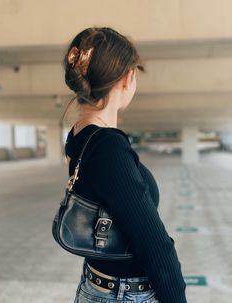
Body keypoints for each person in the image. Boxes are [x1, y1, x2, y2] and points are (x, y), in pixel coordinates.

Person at [62, 27, 187, 303]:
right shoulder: (108, 148)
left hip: (98, 286)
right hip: (125, 295)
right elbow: (155, 246)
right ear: (127, 78)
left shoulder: (79, 136)